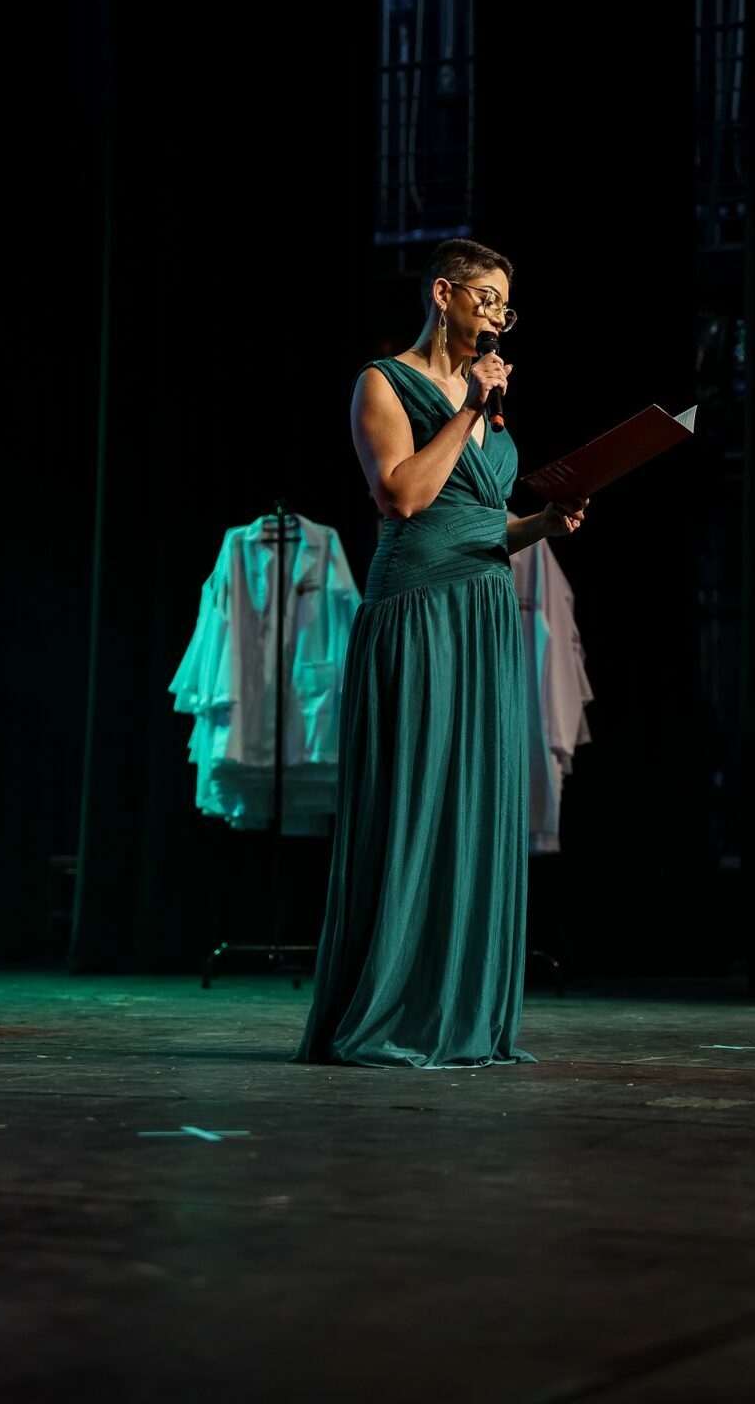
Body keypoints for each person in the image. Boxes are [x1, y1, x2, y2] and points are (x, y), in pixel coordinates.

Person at [291, 239, 589, 1069]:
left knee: (473, 805)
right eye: (484, 297)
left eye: (504, 304)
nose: (496, 315)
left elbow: (480, 523)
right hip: (416, 608)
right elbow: (403, 496)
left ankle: (458, 1009)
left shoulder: (484, 401)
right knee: (415, 802)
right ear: (443, 295)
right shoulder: (383, 382)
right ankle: (389, 1005)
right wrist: (467, 411)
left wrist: (541, 524)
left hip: (483, 610)